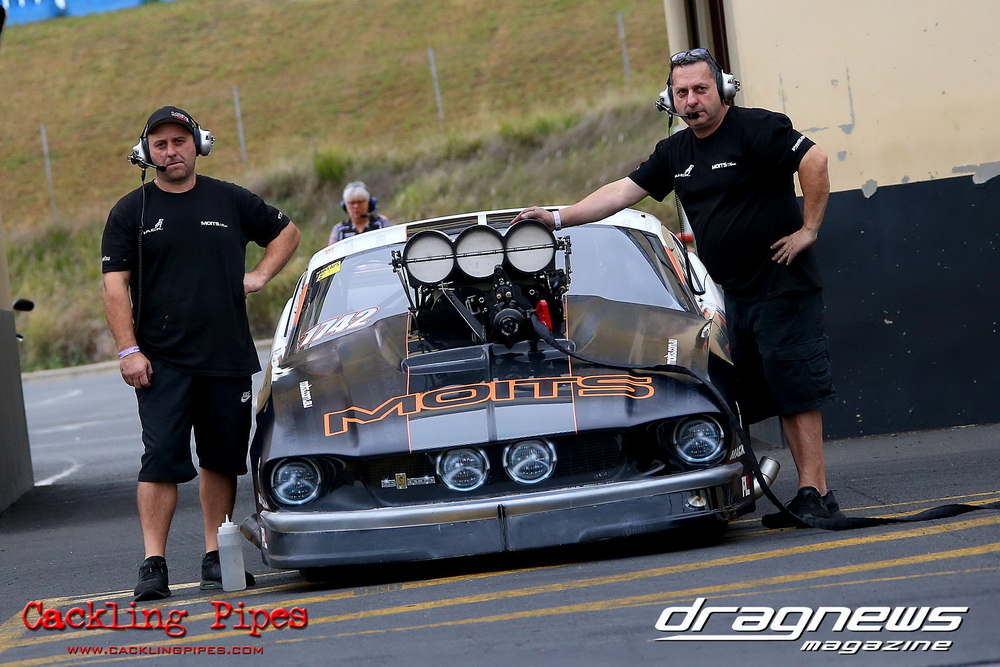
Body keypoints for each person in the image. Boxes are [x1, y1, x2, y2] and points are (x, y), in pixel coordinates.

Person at [512, 48, 839, 528]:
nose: (692, 101)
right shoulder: (675, 152)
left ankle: (816, 494)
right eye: (681, 92)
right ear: (670, 99)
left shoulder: (756, 127)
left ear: (722, 90)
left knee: (796, 391)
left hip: (782, 286)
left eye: (701, 89)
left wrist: (808, 230)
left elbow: (815, 159)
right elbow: (621, 192)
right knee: (768, 393)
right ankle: (806, 494)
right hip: (735, 294)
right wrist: (557, 218)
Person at [101, 106, 301, 600]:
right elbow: (114, 286)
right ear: (146, 152)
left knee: (220, 459)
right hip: (160, 361)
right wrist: (128, 350)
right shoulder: (130, 211)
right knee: (160, 460)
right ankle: (153, 563)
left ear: (198, 145)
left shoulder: (229, 199)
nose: (171, 151)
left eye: (180, 141)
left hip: (226, 357)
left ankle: (217, 556)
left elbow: (287, 233)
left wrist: (259, 276)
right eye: (161, 144)